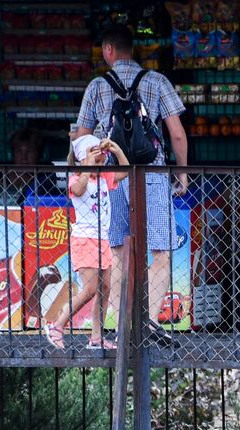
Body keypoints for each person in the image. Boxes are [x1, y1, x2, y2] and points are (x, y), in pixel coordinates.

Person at [74, 25, 188, 342]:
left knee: (118, 253)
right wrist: (182, 171)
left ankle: (126, 322)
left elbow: (82, 138)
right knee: (162, 251)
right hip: (151, 174)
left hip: (112, 178)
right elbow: (177, 133)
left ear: (109, 49)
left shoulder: (97, 86)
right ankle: (147, 321)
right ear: (132, 49)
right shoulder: (156, 81)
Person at [41, 135, 128, 351]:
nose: (99, 154)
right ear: (82, 157)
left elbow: (125, 172)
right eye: (93, 151)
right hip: (85, 239)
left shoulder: (104, 176)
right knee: (90, 288)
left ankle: (96, 338)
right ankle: (57, 325)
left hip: (102, 239)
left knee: (105, 288)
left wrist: (117, 150)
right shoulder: (77, 177)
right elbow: (78, 190)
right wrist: (88, 165)